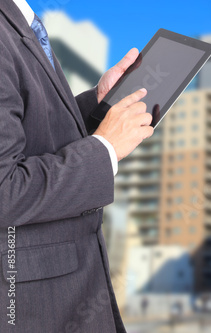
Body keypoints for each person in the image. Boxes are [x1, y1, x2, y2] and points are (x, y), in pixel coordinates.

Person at [0, 1, 153, 332]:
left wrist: (98, 102)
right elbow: (5, 191)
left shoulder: (20, 21)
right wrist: (106, 147)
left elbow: (35, 131)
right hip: (34, 305)